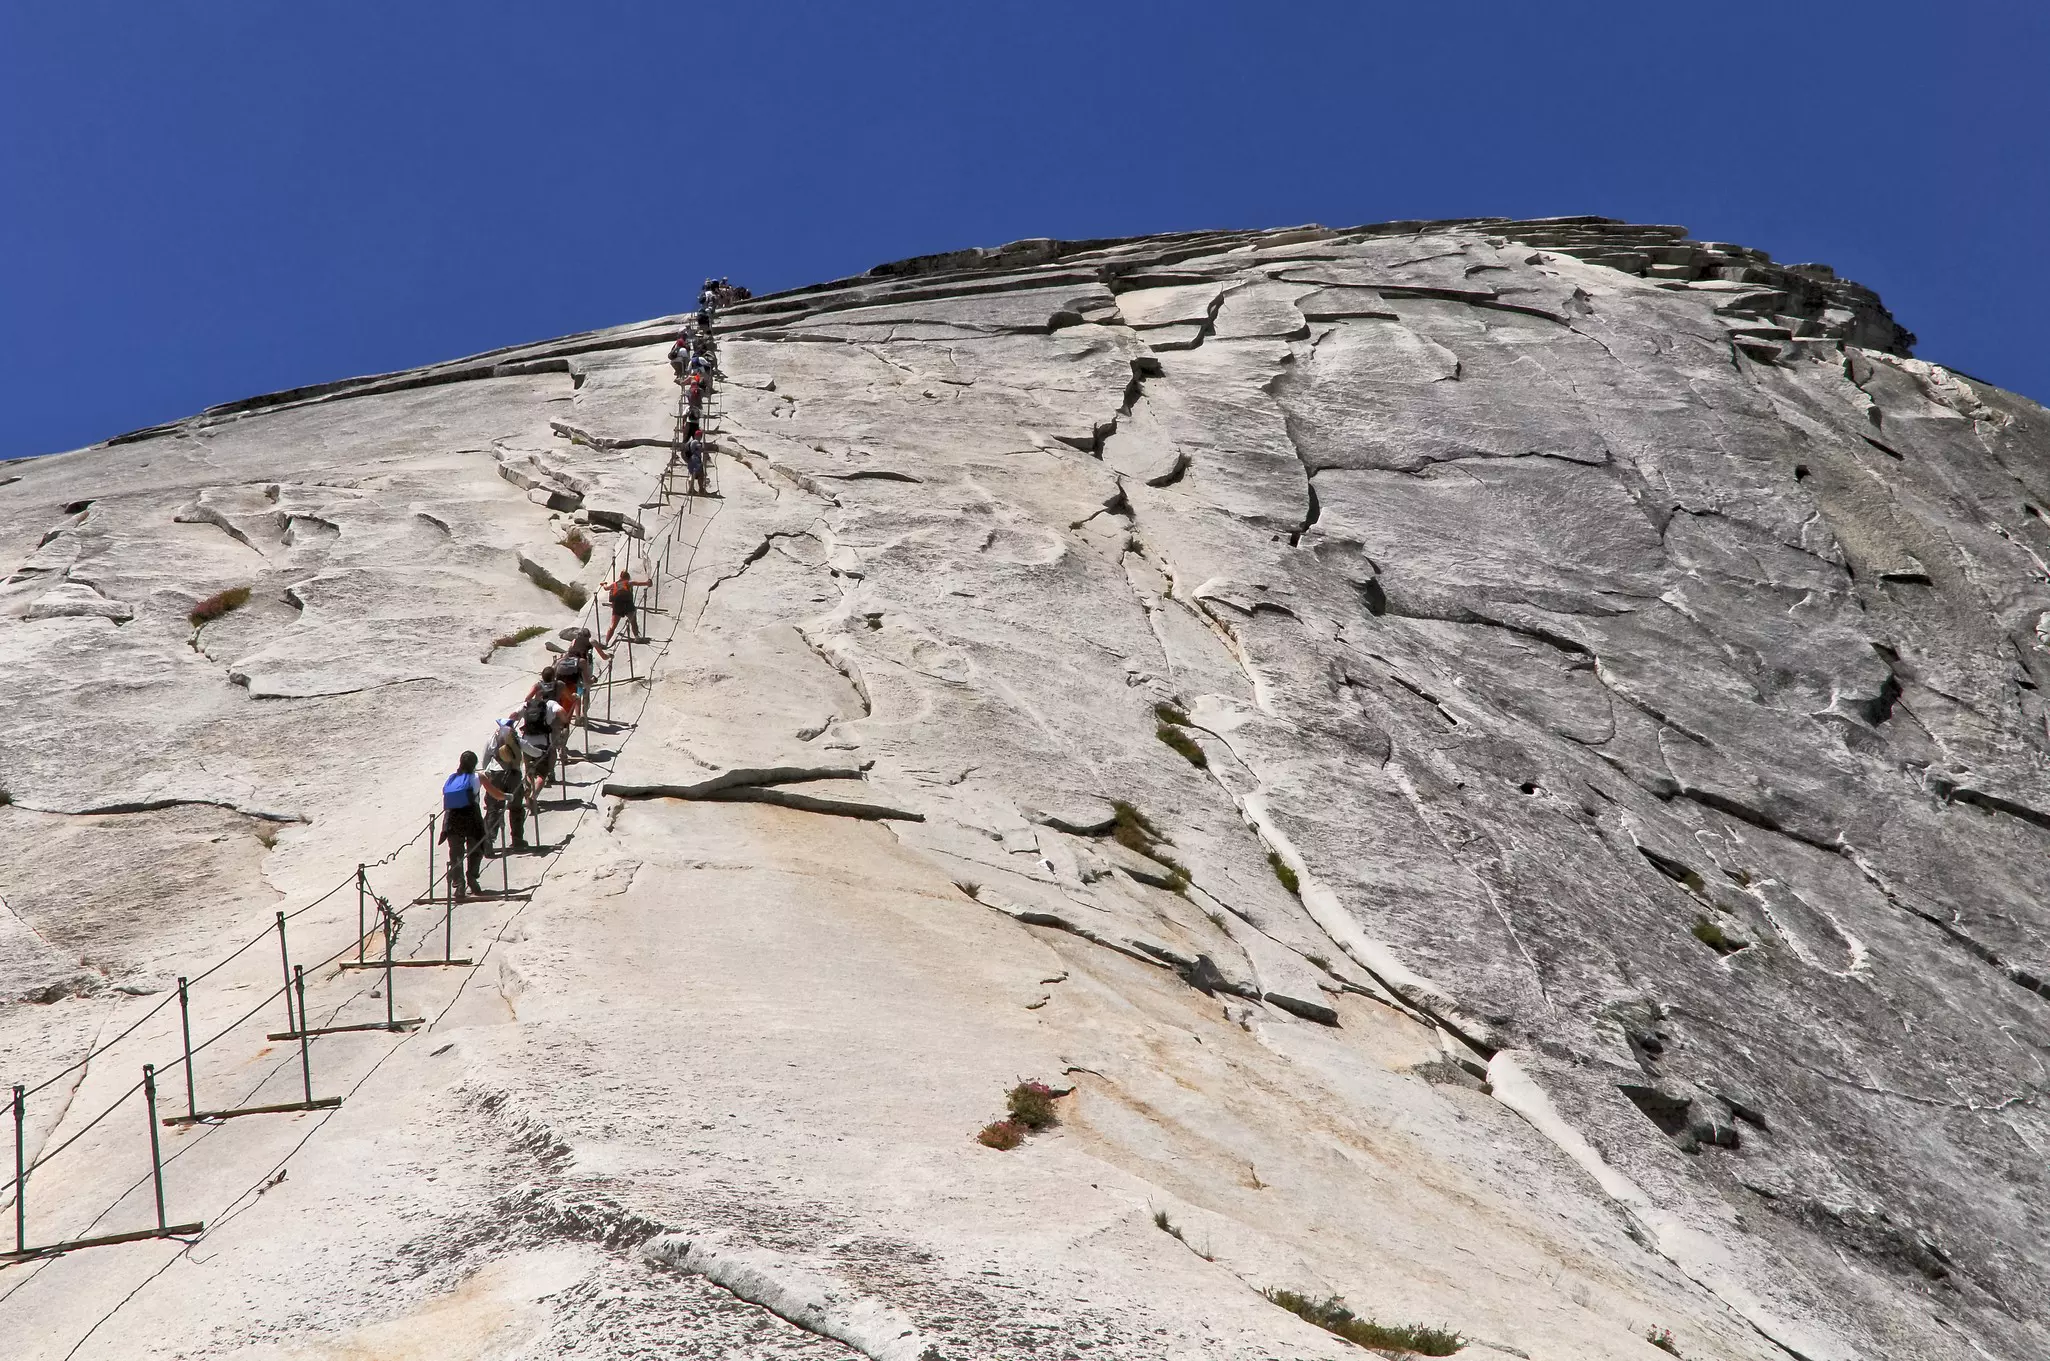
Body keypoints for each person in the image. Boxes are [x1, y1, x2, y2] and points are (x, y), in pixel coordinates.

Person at [440, 751, 488, 899]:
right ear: (474, 764)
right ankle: (472, 879)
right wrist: (506, 796)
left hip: (452, 818)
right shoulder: (478, 777)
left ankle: (459, 885)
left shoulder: (452, 778)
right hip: (471, 816)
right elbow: (494, 793)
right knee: (476, 848)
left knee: (455, 853)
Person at [603, 570, 651, 645]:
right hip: (628, 604)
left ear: (620, 577)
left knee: (613, 626)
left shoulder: (614, 584)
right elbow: (639, 583)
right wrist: (647, 583)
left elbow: (606, 588)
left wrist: (604, 584)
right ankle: (637, 637)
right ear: (627, 577)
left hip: (617, 605)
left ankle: (606, 642)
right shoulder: (629, 583)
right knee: (633, 621)